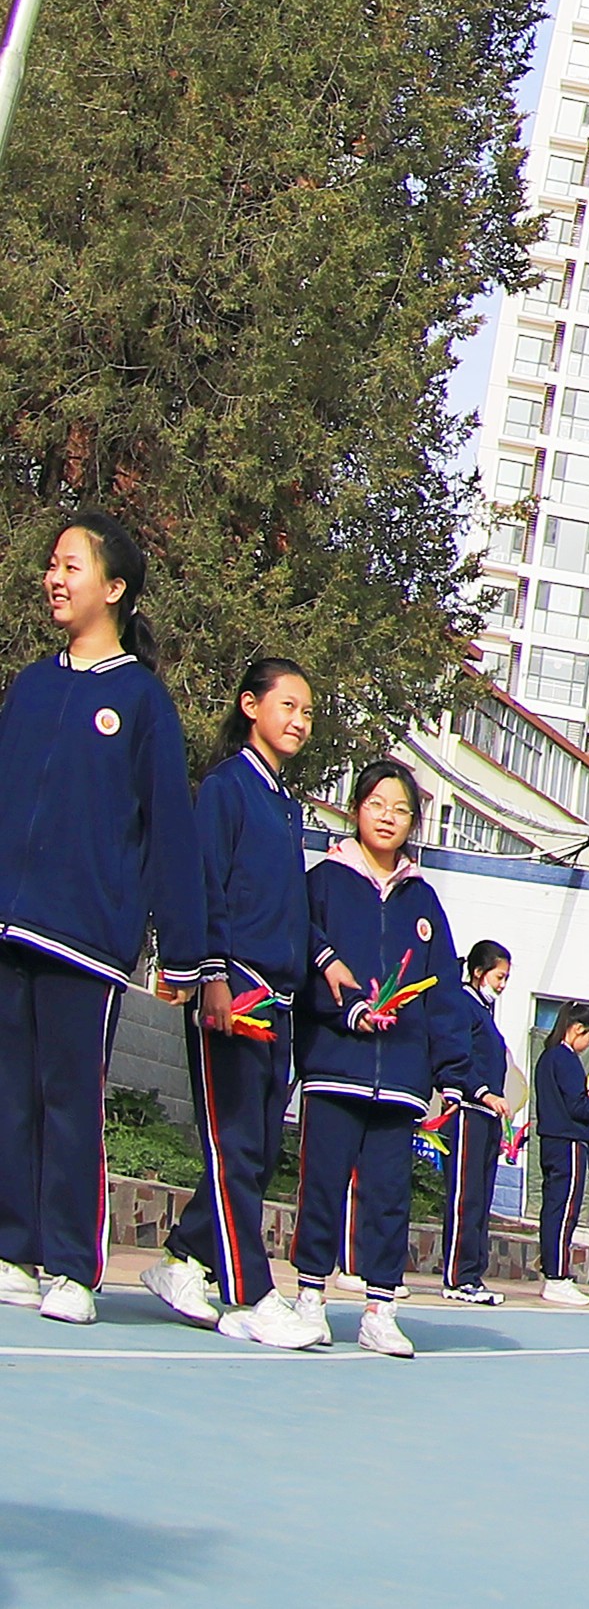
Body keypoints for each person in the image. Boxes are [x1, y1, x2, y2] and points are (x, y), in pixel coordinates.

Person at [0, 513, 207, 1326]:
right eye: (52, 564)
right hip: (10, 926)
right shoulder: (31, 686)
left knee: (67, 1097)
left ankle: (71, 1266)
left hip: (85, 938)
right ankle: (13, 1248)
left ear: (114, 588)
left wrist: (183, 954)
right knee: (9, 1093)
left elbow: (168, 832)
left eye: (71, 565)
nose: (55, 577)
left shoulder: (140, 701)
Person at [145, 658, 314, 1338]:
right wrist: (209, 974)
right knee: (231, 1141)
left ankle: (185, 1255)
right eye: (289, 705)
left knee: (255, 1148)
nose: (299, 720)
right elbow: (202, 883)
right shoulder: (226, 788)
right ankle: (250, 1294)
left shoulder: (284, 802)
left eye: (308, 711)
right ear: (250, 704)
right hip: (234, 987)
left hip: (279, 997)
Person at [291, 760, 462, 1359]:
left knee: (390, 1193)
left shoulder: (424, 899)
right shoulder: (323, 883)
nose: (387, 818)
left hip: (401, 1081)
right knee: (322, 1183)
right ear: (355, 808)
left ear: (414, 822)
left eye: (401, 810)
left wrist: (450, 1073)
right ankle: (310, 1297)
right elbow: (303, 965)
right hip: (335, 1066)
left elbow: (443, 990)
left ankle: (380, 1308)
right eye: (376, 804)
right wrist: (348, 1014)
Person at [436, 941, 517, 1308]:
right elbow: (459, 1058)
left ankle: (472, 1273)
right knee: (464, 1196)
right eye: (499, 976)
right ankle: (457, 1275)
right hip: (469, 1110)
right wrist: (484, 1093)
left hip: (488, 1116)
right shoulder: (462, 1004)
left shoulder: (486, 1012)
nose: (502, 984)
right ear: (479, 972)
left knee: (480, 1198)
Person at [534, 1003, 589, 1306]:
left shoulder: (547, 1058)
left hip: (552, 1140)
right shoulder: (565, 1059)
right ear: (577, 1030)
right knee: (564, 1208)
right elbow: (576, 1106)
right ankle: (556, 1275)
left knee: (554, 1206)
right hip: (568, 1140)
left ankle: (552, 1270)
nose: (588, 1045)